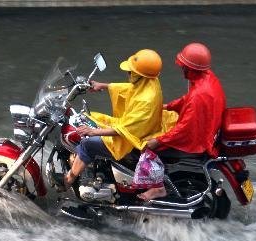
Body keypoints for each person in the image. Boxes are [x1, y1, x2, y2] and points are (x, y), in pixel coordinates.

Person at [55, 49, 165, 190]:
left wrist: (94, 132)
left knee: (87, 145)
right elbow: (131, 88)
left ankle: (68, 180)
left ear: (140, 75)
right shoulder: (150, 81)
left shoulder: (146, 101)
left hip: (131, 138)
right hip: (135, 127)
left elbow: (126, 130)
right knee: (92, 116)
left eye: (131, 72)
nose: (128, 74)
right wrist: (104, 85)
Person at [138, 42, 227, 201]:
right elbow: (187, 100)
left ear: (191, 69)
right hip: (208, 130)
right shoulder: (207, 79)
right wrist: (167, 106)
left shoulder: (198, 96)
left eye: (184, 67)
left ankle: (157, 188)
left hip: (198, 140)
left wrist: (157, 141)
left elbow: (184, 129)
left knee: (144, 146)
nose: (182, 69)